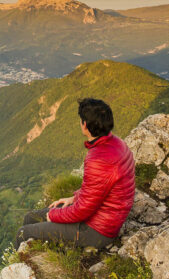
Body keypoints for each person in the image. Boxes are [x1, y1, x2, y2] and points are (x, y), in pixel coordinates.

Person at [14, 98, 135, 249]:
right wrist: (74, 198)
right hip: (104, 219)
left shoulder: (98, 159)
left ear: (85, 125)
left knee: (23, 233)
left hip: (96, 230)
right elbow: (97, 189)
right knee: (30, 217)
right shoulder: (116, 143)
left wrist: (52, 216)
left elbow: (82, 211)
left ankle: (24, 260)